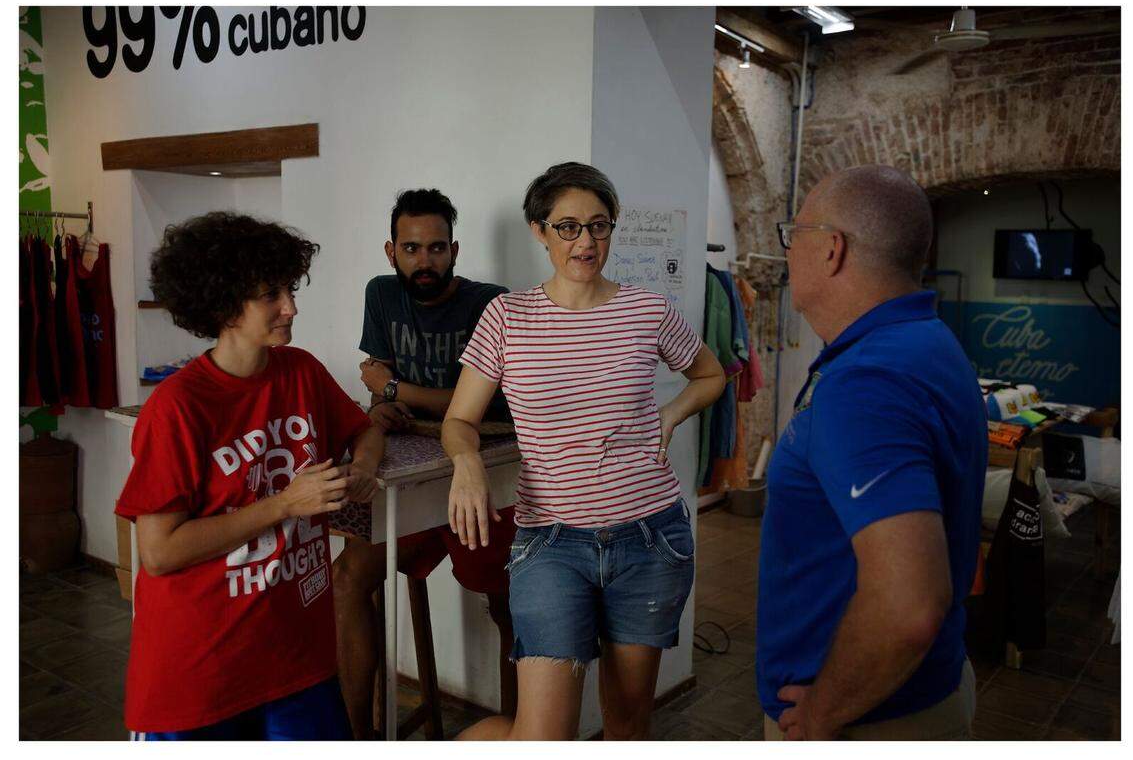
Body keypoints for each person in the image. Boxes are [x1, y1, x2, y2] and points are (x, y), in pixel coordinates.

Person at [442, 162, 726, 740]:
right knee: (541, 737)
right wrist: (466, 463)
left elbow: (711, 374)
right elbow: (459, 420)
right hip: (552, 541)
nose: (586, 242)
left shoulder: (646, 309)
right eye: (568, 227)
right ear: (539, 230)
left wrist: (669, 416)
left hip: (649, 537)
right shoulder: (507, 317)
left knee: (626, 727)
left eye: (600, 226)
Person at [115, 212, 384, 740]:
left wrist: (363, 468)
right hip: (203, 673)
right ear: (223, 305)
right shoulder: (177, 408)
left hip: (297, 660)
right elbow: (160, 551)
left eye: (289, 287)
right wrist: (285, 504)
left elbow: (364, 429)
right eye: (270, 294)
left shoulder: (300, 370)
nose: (291, 306)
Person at [757, 165, 987, 740]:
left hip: (868, 719)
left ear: (832, 249)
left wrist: (821, 715)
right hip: (920, 693)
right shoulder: (924, 342)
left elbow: (910, 605)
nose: (788, 251)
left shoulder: (868, 381)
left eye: (795, 234)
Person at [333, 188, 516, 739]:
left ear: (454, 249)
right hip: (413, 478)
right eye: (412, 249)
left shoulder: (492, 303)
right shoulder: (382, 294)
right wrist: (387, 404)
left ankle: (524, 733)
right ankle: (357, 738)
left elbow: (490, 399)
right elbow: (378, 387)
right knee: (348, 576)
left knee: (512, 607)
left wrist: (396, 389)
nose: (425, 261)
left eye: (437, 248)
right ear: (391, 251)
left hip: (484, 474)